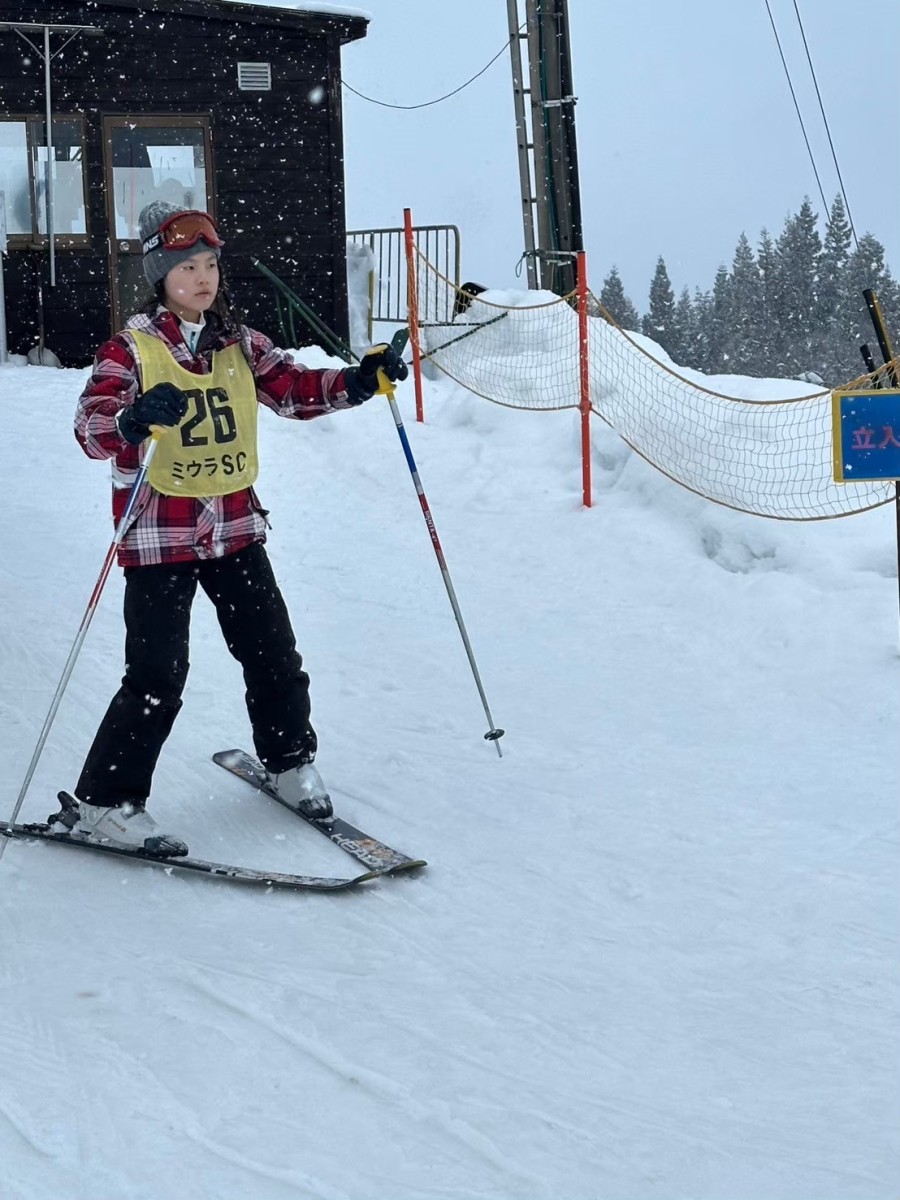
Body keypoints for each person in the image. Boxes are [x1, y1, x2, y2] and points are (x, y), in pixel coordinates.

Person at [72, 202, 407, 856]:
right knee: (157, 675)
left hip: (234, 529)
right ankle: (106, 803)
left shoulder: (239, 344)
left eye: (210, 265)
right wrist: (131, 420)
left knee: (273, 654)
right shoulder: (130, 349)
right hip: (159, 535)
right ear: (160, 275)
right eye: (186, 267)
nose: (202, 278)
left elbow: (295, 388)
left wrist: (360, 381)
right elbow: (91, 425)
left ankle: (288, 762)